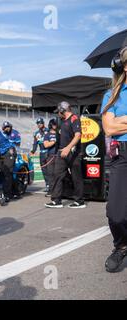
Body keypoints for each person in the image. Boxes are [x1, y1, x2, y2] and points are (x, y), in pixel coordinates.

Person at [101, 46, 127, 273]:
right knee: (116, 213)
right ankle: (122, 245)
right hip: (122, 155)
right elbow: (109, 127)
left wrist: (122, 120)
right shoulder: (112, 95)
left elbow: (116, 123)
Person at [45, 101, 85, 209]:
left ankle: (79, 201)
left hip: (73, 153)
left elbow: (78, 136)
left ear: (63, 110)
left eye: (59, 111)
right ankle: (56, 200)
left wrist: (68, 148)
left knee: (76, 177)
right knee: (57, 175)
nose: (58, 113)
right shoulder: (61, 121)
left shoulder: (74, 118)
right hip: (61, 152)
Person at [0, 128, 16, 202]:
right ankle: (13, 191)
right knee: (2, 173)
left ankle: (7, 195)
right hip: (0, 154)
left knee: (8, 173)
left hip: (8, 151)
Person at [30, 117, 50, 192]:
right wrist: (32, 151)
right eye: (38, 123)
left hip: (49, 152)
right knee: (44, 170)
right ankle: (47, 185)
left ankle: (52, 185)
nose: (39, 124)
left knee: (50, 170)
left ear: (43, 123)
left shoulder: (48, 131)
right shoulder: (36, 133)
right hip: (41, 153)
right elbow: (35, 144)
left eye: (40, 123)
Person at [43, 118, 58, 197]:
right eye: (54, 124)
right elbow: (46, 145)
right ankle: (51, 191)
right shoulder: (47, 135)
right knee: (51, 174)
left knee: (59, 174)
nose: (55, 126)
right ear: (51, 125)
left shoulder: (59, 134)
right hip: (51, 156)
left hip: (59, 156)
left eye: (56, 124)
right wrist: (55, 141)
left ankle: (59, 191)